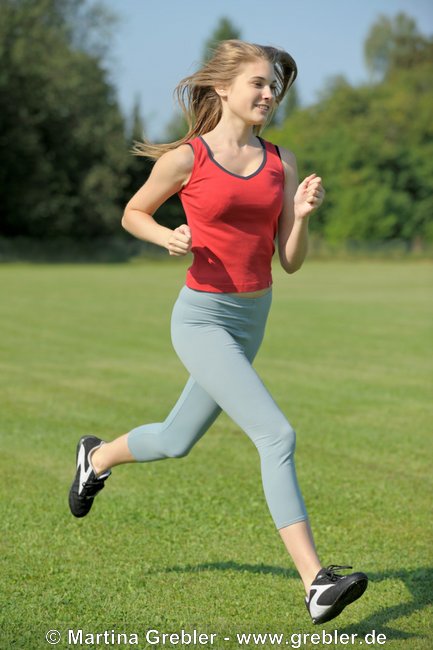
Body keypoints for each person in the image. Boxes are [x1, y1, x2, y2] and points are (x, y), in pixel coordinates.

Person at [68, 40, 368, 624]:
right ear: (223, 90)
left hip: (253, 317)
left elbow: (290, 260)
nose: (268, 94)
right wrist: (167, 237)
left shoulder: (280, 160)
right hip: (202, 318)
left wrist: (302, 219)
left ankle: (96, 457)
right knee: (277, 436)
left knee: (178, 439)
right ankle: (316, 582)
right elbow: (134, 212)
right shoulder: (188, 158)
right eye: (257, 83)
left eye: (273, 86)